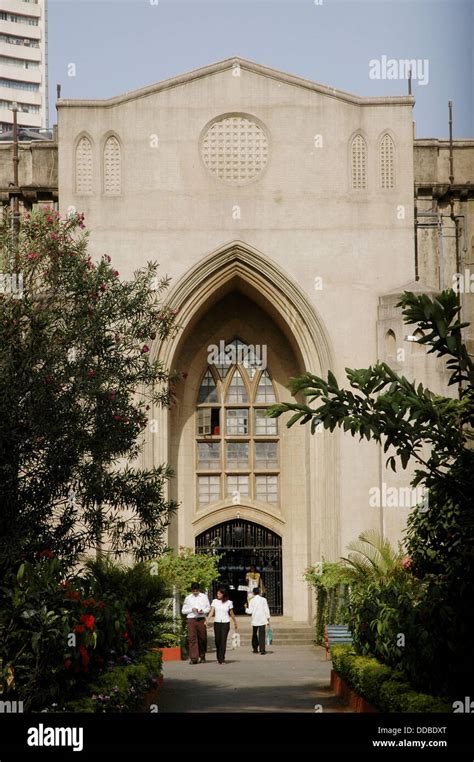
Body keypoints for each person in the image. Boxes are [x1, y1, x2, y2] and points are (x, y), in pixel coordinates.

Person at [206, 585, 238, 664]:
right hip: (217, 623)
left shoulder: (229, 602)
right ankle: (218, 657)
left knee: (223, 641)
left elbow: (231, 613)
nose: (218, 595)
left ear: (223, 594)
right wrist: (207, 619)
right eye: (217, 594)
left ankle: (222, 659)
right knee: (217, 640)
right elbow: (212, 612)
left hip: (225, 623)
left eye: (219, 594)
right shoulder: (214, 601)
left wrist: (235, 622)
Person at [182, 582, 211, 664]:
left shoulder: (204, 597)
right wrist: (191, 609)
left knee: (202, 638)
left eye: (196, 590)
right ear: (191, 590)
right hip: (191, 619)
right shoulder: (188, 598)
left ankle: (202, 656)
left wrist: (203, 611)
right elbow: (183, 611)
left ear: (199, 589)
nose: (195, 592)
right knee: (192, 638)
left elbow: (208, 608)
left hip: (201, 618)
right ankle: (194, 658)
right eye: (193, 590)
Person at [245, 587, 270, 655]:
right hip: (262, 619)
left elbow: (250, 611)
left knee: (254, 634)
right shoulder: (263, 600)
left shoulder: (251, 600)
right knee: (262, 635)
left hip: (255, 619)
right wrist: (268, 619)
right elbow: (266, 609)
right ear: (259, 592)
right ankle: (262, 650)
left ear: (253, 593)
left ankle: (255, 648)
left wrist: (245, 608)